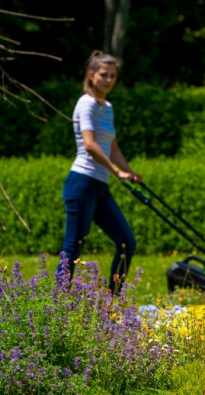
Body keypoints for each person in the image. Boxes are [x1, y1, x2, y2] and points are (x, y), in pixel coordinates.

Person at [58, 50, 141, 293]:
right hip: (82, 183)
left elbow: (112, 145)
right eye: (104, 75)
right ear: (92, 75)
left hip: (99, 187)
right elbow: (90, 144)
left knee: (126, 242)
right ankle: (57, 303)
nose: (109, 80)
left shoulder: (107, 107)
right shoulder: (86, 103)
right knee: (73, 247)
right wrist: (117, 172)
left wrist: (129, 172)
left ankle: (112, 301)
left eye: (113, 76)